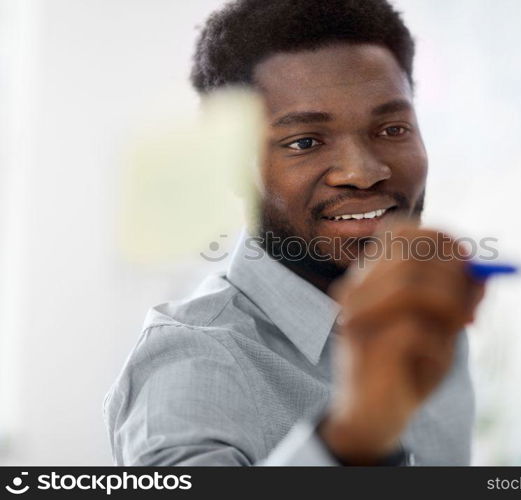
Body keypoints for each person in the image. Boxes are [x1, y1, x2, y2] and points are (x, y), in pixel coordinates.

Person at [104, 0, 485, 466]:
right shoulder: (190, 361)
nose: (363, 172)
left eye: (392, 128)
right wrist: (355, 435)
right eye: (304, 142)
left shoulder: (427, 325)